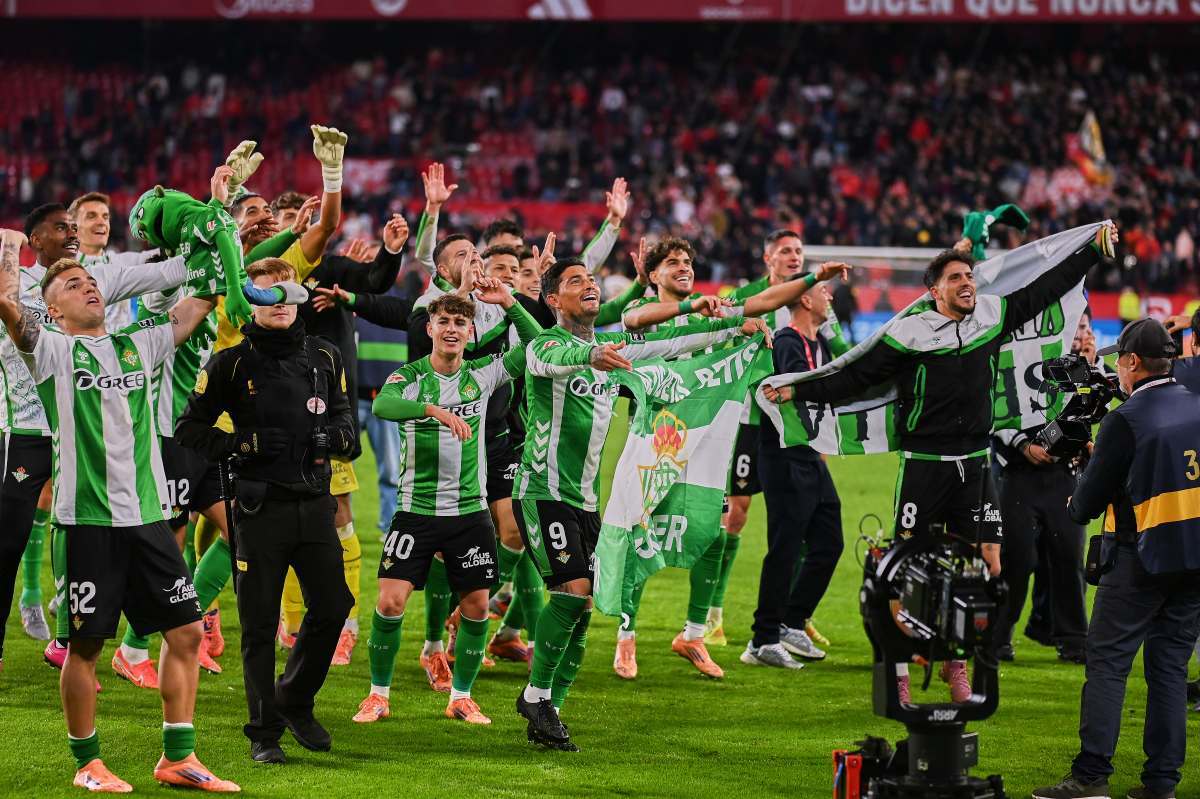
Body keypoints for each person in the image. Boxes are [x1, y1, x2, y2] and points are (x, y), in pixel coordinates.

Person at [768, 222, 1117, 703]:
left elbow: (1042, 290)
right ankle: (904, 668)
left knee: (987, 563)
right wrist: (799, 387)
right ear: (934, 291)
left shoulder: (992, 316)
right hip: (925, 465)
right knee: (908, 569)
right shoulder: (908, 332)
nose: (967, 283)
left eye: (969, 276)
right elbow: (853, 378)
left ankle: (959, 665)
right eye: (956, 278)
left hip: (974, 466)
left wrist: (1090, 253)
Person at [0, 231, 238, 793]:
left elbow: (202, 296)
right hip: (85, 524)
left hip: (149, 520)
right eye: (72, 286)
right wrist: (10, 253)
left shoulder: (141, 344)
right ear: (52, 308)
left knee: (185, 634)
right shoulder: (52, 350)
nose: (88, 289)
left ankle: (177, 756)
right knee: (85, 647)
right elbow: (10, 309)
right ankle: (88, 762)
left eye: (90, 281)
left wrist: (222, 224)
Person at [514, 257, 770, 751]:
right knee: (573, 591)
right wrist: (591, 359)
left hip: (588, 498)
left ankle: (548, 710)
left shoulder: (612, 346)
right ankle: (537, 697)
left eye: (590, 280)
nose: (588, 286)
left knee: (585, 607)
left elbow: (672, 343)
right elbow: (546, 361)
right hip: (543, 491)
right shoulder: (547, 342)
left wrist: (734, 327)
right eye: (574, 282)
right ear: (552, 300)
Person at [613, 235, 848, 679]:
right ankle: (626, 639)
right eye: (672, 263)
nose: (683, 267)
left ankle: (695, 634)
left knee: (713, 536)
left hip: (703, 445)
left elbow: (761, 301)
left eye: (687, 261)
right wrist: (693, 310)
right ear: (654, 274)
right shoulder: (647, 317)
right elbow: (635, 315)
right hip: (656, 442)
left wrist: (813, 277)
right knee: (640, 539)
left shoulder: (712, 312)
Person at [175, 257, 355, 765]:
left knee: (334, 606)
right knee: (257, 626)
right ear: (252, 302)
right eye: (266, 291)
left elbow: (346, 427)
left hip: (315, 504)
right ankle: (264, 732)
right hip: (258, 510)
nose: (279, 300)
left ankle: (294, 698)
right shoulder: (231, 362)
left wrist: (337, 438)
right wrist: (242, 443)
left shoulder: (325, 354)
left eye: (287, 289)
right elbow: (189, 429)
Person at [0, 204, 189, 675]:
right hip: (26, 427)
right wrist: (6, 247)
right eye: (60, 227)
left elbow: (168, 271)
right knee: (9, 539)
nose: (71, 233)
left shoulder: (97, 275)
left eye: (73, 225)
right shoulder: (22, 284)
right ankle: (25, 613)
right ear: (34, 239)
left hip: (86, 424)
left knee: (89, 519)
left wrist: (221, 225)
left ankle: (78, 637)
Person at [352, 287, 539, 727]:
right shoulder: (411, 375)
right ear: (430, 329)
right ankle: (378, 695)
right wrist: (433, 410)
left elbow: (536, 344)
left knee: (475, 606)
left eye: (460, 323)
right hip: (416, 511)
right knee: (391, 601)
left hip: (469, 513)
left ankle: (461, 697)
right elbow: (381, 404)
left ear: (470, 332)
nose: (452, 329)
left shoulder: (484, 373)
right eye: (444, 322)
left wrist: (510, 302)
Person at [1033, 318, 1200, 799]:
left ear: (1130, 362)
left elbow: (1084, 505)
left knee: (1107, 664)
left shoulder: (1124, 420)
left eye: (1118, 363)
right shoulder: (1194, 402)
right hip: (1192, 556)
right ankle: (1161, 783)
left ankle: (1091, 777)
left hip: (1139, 556)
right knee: (1169, 670)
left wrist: (1087, 463)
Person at [708, 229, 851, 649]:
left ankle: (792, 618)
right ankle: (712, 615)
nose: (794, 256)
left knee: (807, 525)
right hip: (752, 421)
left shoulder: (816, 317)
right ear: (768, 257)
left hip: (798, 431)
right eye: (785, 250)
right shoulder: (750, 296)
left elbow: (841, 357)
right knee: (738, 515)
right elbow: (721, 337)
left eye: (799, 251)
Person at [292, 214, 410, 667]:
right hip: (275, 418)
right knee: (274, 527)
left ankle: (348, 623)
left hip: (327, 415)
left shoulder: (333, 271)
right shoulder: (259, 279)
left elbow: (375, 281)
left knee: (339, 514)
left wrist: (389, 251)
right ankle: (290, 621)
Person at [744, 280, 844, 669]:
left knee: (829, 542)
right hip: (783, 457)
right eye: (824, 292)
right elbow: (803, 389)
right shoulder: (787, 340)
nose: (830, 296)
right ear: (804, 299)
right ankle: (762, 640)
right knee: (785, 547)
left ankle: (791, 619)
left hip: (810, 457)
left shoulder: (822, 343)